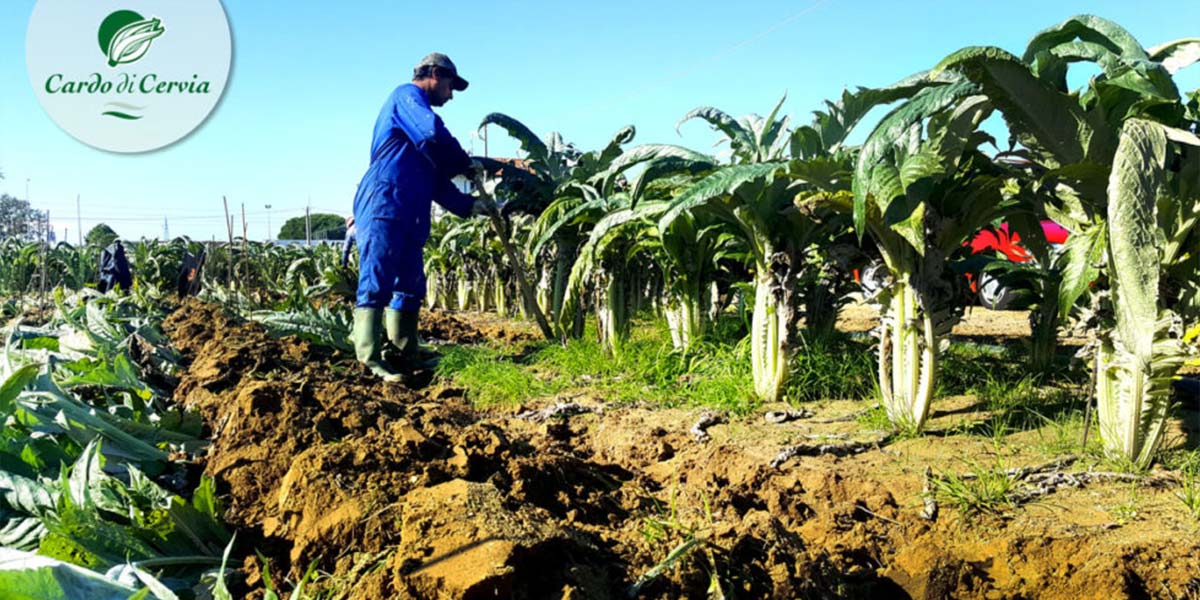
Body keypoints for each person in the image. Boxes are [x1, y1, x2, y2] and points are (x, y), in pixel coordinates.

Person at [350, 52, 484, 381]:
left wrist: (471, 206)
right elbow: (433, 131)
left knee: (410, 281)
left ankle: (404, 348)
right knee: (378, 274)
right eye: (451, 86)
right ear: (435, 74)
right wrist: (465, 163)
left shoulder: (421, 142)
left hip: (411, 206)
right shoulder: (406, 97)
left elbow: (436, 181)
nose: (451, 95)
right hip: (385, 199)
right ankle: (368, 356)